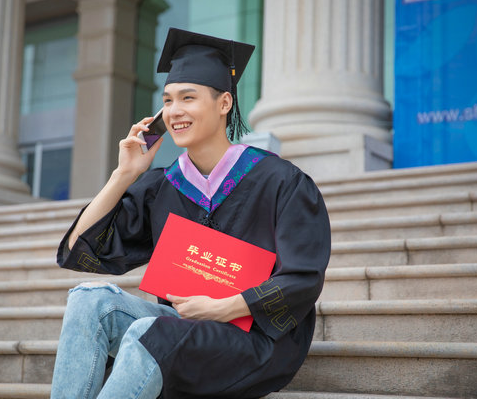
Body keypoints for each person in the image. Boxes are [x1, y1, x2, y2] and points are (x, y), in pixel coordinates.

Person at [51, 28, 331, 399]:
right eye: (167, 101)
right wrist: (124, 174)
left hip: (254, 339)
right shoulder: (161, 186)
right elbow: (78, 251)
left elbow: (304, 277)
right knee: (89, 300)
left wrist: (224, 307)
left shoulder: (280, 180)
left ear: (224, 103)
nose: (175, 111)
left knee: (148, 333)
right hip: (183, 328)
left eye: (188, 97)